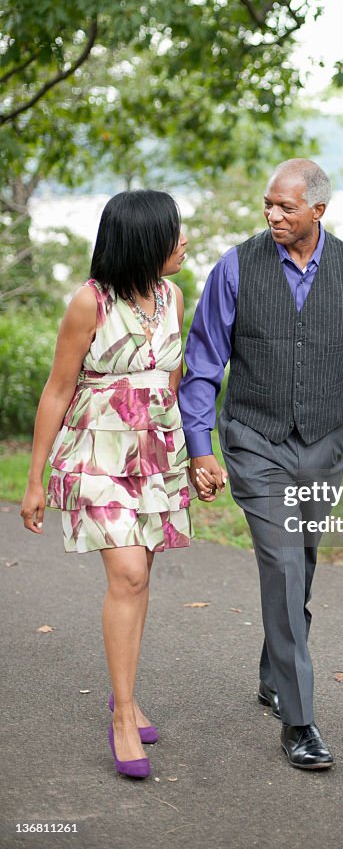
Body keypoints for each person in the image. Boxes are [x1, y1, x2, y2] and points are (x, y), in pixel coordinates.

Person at [179, 158, 343, 770]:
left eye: (286, 208)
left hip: (324, 443)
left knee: (298, 566)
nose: (273, 216)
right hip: (255, 438)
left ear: (318, 212)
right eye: (268, 206)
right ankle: (299, 720)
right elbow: (202, 365)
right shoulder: (235, 267)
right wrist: (200, 447)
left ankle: (271, 673)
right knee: (282, 561)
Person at [20, 190, 197, 780]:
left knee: (141, 575)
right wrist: (35, 477)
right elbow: (57, 388)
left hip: (156, 452)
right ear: (145, 240)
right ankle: (122, 714)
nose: (185, 242)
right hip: (97, 451)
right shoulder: (88, 303)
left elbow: (172, 382)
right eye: (175, 233)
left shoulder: (171, 296)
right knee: (127, 573)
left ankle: (128, 695)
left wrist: (198, 454)